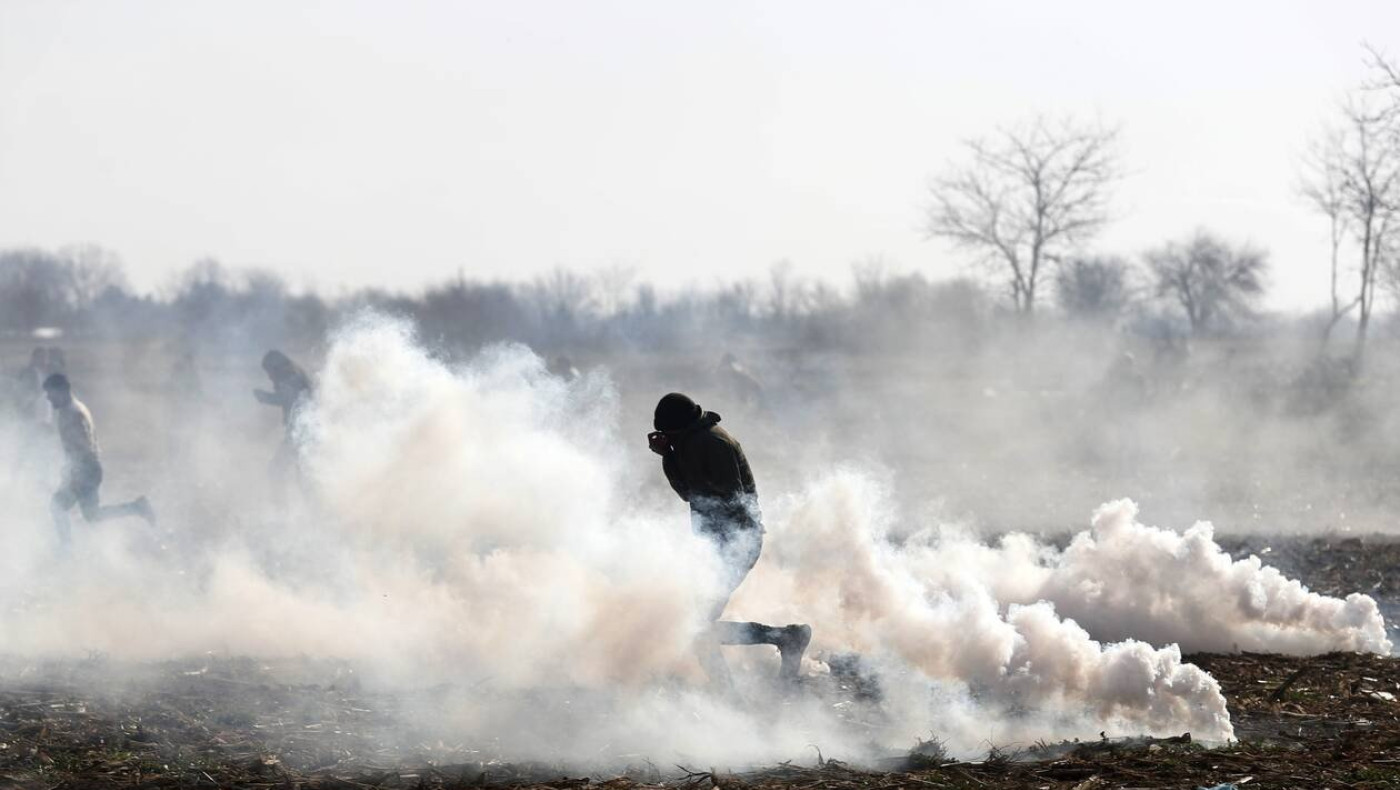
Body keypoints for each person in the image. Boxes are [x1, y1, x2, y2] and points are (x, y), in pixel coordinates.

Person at [648, 392, 811, 686]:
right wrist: (669, 456)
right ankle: (785, 638)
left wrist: (671, 457)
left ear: (678, 428)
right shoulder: (693, 441)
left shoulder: (712, 443)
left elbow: (729, 497)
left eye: (668, 434)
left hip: (735, 543)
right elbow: (691, 493)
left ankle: (735, 692)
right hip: (722, 544)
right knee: (696, 626)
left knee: (697, 628)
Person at [43, 374, 156, 546]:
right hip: (86, 470)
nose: (48, 398)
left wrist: (73, 473)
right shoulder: (71, 409)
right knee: (92, 515)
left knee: (57, 506)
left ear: (63, 390)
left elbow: (84, 448)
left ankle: (66, 551)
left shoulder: (74, 414)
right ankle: (137, 507)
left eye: (51, 394)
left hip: (85, 471)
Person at [253, 350, 314, 497]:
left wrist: (264, 397)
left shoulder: (291, 379)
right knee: (301, 475)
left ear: (276, 368)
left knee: (279, 471)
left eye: (269, 372)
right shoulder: (294, 377)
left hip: (301, 434)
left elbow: (287, 399)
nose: (269, 377)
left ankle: (282, 510)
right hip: (302, 433)